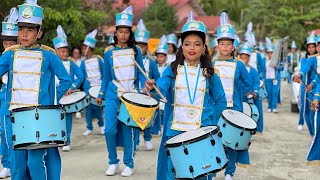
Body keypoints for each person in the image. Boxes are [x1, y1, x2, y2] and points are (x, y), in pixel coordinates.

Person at [146, 11, 227, 180]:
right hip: (176, 131)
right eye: (188, 43)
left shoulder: (211, 74)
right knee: (173, 173)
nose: (192, 48)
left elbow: (221, 101)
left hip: (201, 133)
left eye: (197, 44)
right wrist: (153, 87)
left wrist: (210, 122)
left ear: (204, 48)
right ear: (181, 47)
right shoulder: (172, 70)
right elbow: (161, 87)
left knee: (201, 173)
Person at [0, 1, 71, 179]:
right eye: (21, 29)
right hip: (13, 116)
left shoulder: (48, 55)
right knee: (17, 165)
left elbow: (65, 80)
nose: (24, 34)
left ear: (39, 33)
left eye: (30, 30)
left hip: (38, 118)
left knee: (35, 161)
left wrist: (50, 103)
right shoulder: (9, 54)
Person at [96, 6, 146, 177]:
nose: (123, 35)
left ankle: (129, 163)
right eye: (120, 32)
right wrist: (101, 94)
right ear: (115, 33)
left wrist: (143, 89)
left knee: (128, 130)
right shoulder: (108, 53)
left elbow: (141, 74)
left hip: (131, 94)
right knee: (109, 129)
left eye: (126, 32)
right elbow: (106, 77)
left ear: (130, 33)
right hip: (112, 94)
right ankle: (113, 161)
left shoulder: (136, 50)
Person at [212, 12, 252, 180]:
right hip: (215, 109)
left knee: (232, 142)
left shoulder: (240, 65)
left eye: (229, 44)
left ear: (234, 46)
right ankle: (212, 172)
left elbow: (248, 83)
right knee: (213, 141)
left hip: (234, 109)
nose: (225, 47)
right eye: (222, 44)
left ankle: (229, 172)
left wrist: (243, 94)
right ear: (217, 45)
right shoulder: (211, 64)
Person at [53, 25, 84, 152]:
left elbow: (80, 76)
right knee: (55, 117)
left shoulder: (71, 63)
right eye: (62, 51)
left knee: (67, 118)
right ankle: (56, 139)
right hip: (55, 94)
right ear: (56, 51)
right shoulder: (52, 62)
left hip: (68, 95)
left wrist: (72, 87)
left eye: (66, 51)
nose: (65, 53)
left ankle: (67, 140)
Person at [134, 19, 160, 151]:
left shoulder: (152, 62)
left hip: (148, 94)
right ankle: (136, 140)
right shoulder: (130, 61)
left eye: (143, 45)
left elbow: (158, 78)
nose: (140, 48)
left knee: (148, 118)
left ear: (146, 47)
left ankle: (148, 138)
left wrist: (153, 83)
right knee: (135, 119)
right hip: (135, 94)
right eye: (137, 45)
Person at [0, 7, 19, 179]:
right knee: (4, 133)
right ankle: (6, 164)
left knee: (16, 137)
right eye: (5, 44)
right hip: (4, 100)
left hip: (20, 102)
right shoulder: (3, 58)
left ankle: (14, 167)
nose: (8, 47)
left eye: (11, 43)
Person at [80, 29, 105, 136]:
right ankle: (89, 127)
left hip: (98, 88)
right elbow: (82, 76)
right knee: (88, 109)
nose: (83, 49)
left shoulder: (99, 59)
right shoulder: (82, 62)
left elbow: (104, 74)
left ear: (89, 49)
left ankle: (102, 125)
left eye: (85, 48)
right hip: (88, 89)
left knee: (97, 108)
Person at [293, 32, 318, 135]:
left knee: (313, 110)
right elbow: (304, 69)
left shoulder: (316, 59)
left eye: (313, 47)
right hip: (305, 87)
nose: (311, 49)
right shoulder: (305, 59)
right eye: (309, 47)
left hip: (315, 87)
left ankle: (314, 132)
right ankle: (311, 132)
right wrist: (299, 75)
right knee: (305, 110)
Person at [239, 43, 264, 134]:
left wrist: (254, 91)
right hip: (240, 95)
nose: (243, 60)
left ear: (249, 58)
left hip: (250, 95)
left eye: (245, 58)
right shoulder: (237, 69)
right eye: (242, 57)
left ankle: (256, 128)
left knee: (255, 108)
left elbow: (256, 82)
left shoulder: (253, 70)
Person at [264, 37, 281, 113]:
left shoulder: (276, 60)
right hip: (267, 79)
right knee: (269, 93)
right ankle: (269, 106)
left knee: (274, 93)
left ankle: (274, 107)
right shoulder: (265, 60)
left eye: (272, 53)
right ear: (267, 53)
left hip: (275, 79)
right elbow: (262, 70)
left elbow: (281, 68)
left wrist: (276, 67)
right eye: (269, 53)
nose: (270, 54)